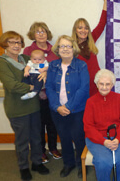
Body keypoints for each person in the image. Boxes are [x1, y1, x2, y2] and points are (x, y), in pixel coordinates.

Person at [0, 31, 49, 181]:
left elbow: (42, 66)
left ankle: (37, 163)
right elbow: (12, 85)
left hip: (33, 105)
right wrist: (33, 88)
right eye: (12, 42)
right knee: (22, 140)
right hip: (17, 108)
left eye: (18, 42)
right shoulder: (2, 62)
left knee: (36, 137)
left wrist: (45, 73)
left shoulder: (26, 58)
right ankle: (23, 167)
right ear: (5, 44)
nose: (16, 45)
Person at [45, 35, 89, 178]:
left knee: (78, 138)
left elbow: (84, 88)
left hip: (77, 110)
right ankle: (68, 164)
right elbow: (50, 87)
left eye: (68, 46)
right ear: (57, 49)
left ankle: (81, 165)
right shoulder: (53, 66)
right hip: (57, 110)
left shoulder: (81, 65)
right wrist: (57, 106)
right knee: (64, 138)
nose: (65, 49)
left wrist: (69, 106)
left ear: (73, 48)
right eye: (62, 46)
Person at [83, 69, 120, 181]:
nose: (104, 87)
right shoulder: (91, 102)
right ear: (96, 84)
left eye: (108, 84)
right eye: (101, 84)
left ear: (112, 85)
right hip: (97, 137)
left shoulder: (118, 98)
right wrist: (104, 141)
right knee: (103, 162)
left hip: (119, 135)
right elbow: (88, 127)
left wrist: (118, 139)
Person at [23, 21, 61, 163]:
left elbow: (58, 70)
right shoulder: (28, 51)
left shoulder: (55, 50)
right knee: (38, 124)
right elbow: (25, 72)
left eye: (43, 31)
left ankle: (53, 148)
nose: (41, 34)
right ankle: (40, 150)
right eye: (37, 32)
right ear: (33, 34)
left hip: (53, 93)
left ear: (47, 33)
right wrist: (38, 90)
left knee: (52, 123)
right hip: (36, 95)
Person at [72, 0, 107, 97]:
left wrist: (105, 1)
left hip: (97, 84)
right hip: (81, 86)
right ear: (75, 30)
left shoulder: (91, 38)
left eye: (86, 28)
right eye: (80, 28)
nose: (84, 30)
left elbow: (102, 23)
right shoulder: (70, 46)